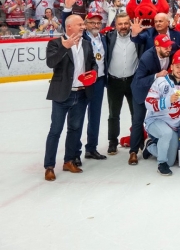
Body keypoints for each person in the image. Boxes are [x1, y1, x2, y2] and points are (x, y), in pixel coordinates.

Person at [44, 14, 98, 181]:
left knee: (75, 130)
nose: (83, 26)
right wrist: (64, 47)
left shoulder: (87, 44)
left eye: (83, 24)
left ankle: (68, 160)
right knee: (56, 130)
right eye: (80, 24)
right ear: (69, 27)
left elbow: (91, 63)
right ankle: (49, 166)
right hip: (62, 95)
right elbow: (51, 63)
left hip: (81, 94)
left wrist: (93, 72)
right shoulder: (55, 43)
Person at [128, 34, 174, 165]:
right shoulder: (147, 58)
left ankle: (152, 144)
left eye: (170, 45)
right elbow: (139, 80)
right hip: (142, 92)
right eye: (165, 47)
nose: (168, 49)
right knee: (138, 120)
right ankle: (133, 151)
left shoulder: (169, 52)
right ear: (157, 46)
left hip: (159, 92)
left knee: (160, 119)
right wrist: (156, 75)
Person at [142, 54, 180, 176]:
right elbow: (148, 103)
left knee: (171, 161)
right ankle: (161, 164)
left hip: (173, 126)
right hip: (155, 121)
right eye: (178, 67)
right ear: (172, 67)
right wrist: (168, 101)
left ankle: (150, 145)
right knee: (166, 134)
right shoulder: (161, 81)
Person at [105, 13, 144, 155]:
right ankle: (112, 142)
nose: (123, 27)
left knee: (137, 114)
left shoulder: (137, 38)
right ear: (115, 25)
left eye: (126, 23)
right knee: (113, 114)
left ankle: (138, 140)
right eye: (120, 24)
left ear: (130, 24)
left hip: (133, 82)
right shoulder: (108, 38)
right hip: (114, 82)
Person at [81, 12, 108, 161]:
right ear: (86, 24)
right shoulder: (81, 37)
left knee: (95, 116)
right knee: (77, 118)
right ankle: (73, 153)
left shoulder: (103, 38)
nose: (96, 25)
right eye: (92, 22)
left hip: (99, 81)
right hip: (83, 82)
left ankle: (91, 148)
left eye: (98, 23)